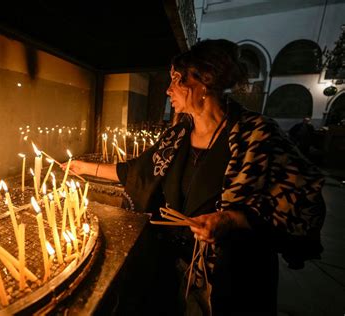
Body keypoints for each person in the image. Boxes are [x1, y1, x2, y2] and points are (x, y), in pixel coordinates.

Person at [65, 39, 325, 315]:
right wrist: (81, 167)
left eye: (177, 79)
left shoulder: (257, 134)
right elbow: (134, 172)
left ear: (204, 82)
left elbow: (304, 200)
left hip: (233, 277)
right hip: (174, 266)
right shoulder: (177, 136)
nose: (168, 89)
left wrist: (233, 219)